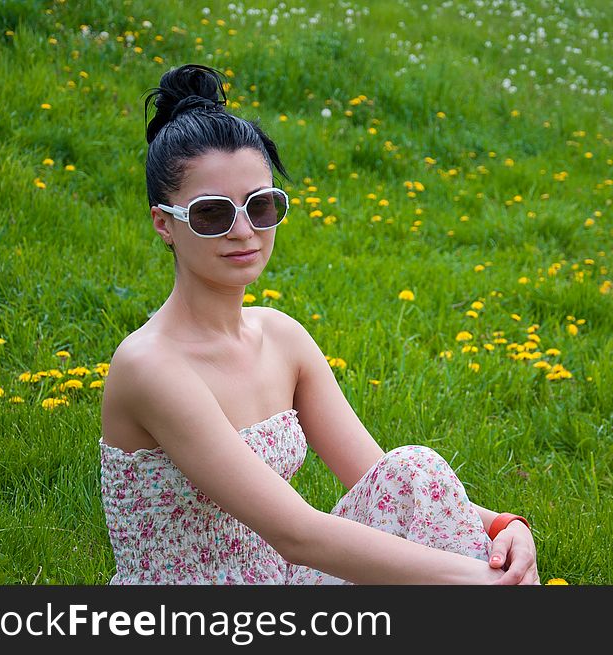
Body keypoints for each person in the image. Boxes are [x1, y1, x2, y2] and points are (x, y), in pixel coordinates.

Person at [99, 63, 539, 585]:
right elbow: (298, 534)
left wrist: (501, 528)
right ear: (163, 224)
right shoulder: (150, 367)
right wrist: (480, 581)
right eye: (212, 214)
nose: (243, 231)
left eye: (260, 206)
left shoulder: (280, 338)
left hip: (282, 582)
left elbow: (382, 480)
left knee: (413, 469)